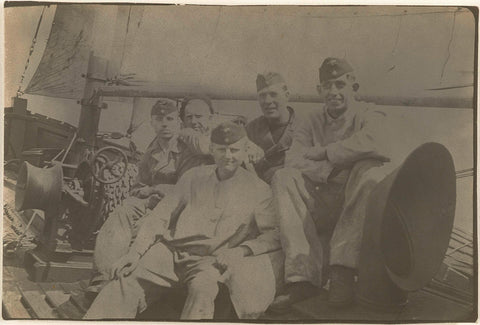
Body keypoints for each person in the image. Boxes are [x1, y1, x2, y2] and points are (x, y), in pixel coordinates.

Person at [84, 122, 282, 320]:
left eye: (234, 150)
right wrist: (134, 254)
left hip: (210, 260)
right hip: (169, 252)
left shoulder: (259, 190)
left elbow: (273, 234)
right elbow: (161, 216)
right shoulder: (193, 177)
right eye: (221, 149)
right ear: (212, 149)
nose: (228, 156)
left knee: (203, 290)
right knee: (126, 280)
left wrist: (241, 251)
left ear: (245, 150)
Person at [269, 57, 390, 310]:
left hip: (357, 208)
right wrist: (329, 171)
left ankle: (342, 271)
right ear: (319, 90)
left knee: (368, 170)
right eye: (327, 86)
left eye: (340, 85)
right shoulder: (310, 119)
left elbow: (377, 143)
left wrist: (325, 152)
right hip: (322, 202)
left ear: (353, 88)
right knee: (283, 176)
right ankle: (302, 278)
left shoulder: (370, 113)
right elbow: (292, 159)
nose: (333, 92)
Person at [87, 97, 215, 295]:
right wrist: (144, 195)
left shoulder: (187, 149)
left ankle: (120, 283)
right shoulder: (153, 149)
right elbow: (140, 183)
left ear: (178, 123)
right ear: (152, 123)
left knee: (141, 226)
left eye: (170, 119)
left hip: (176, 207)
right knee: (123, 212)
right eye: (159, 119)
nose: (165, 124)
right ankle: (102, 278)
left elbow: (187, 188)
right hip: (151, 201)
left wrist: (156, 190)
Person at [246, 72, 296, 184]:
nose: (267, 101)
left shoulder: (306, 127)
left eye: (273, 94)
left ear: (287, 95)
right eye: (262, 96)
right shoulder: (251, 129)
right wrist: (246, 144)